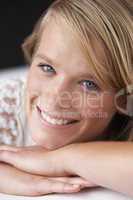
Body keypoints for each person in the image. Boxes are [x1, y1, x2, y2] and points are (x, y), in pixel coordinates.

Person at [0, 0, 132, 197]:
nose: (55, 98)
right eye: (47, 68)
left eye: (89, 84)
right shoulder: (8, 106)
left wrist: (61, 160)